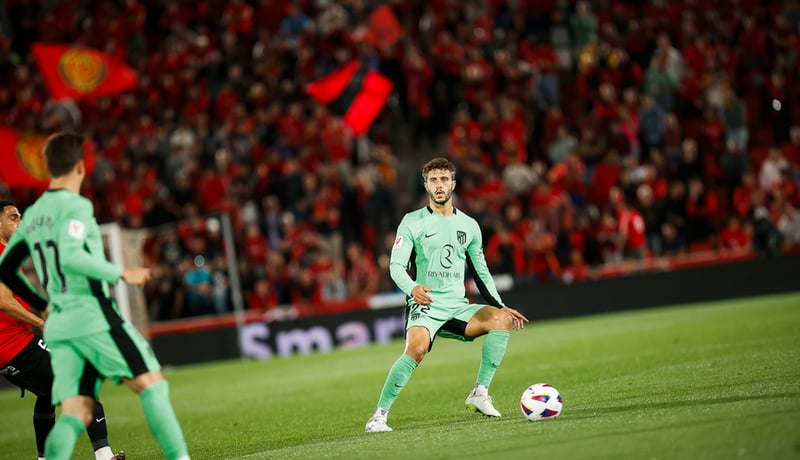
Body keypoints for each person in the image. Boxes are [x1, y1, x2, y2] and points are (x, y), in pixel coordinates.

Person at [0, 132, 190, 460]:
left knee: (75, 403)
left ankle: (84, 456)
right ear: (79, 166)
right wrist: (122, 273)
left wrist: (44, 305)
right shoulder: (76, 206)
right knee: (153, 386)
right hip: (91, 315)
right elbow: (74, 256)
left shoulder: (34, 215)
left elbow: (7, 271)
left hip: (61, 323)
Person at [364, 157, 529, 433]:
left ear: (453, 183)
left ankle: (480, 393)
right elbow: (396, 266)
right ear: (426, 186)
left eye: (444, 179)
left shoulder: (469, 225)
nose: (439, 185)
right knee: (416, 350)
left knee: (501, 319)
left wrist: (501, 305)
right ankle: (378, 416)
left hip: (457, 306)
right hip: (426, 304)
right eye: (433, 180)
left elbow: (481, 272)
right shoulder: (412, 222)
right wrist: (412, 288)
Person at [0, 200, 124, 460]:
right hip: (12, 343)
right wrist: (41, 322)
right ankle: (104, 456)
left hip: (10, 347)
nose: (20, 222)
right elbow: (3, 301)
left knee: (48, 393)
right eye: (13, 217)